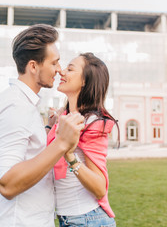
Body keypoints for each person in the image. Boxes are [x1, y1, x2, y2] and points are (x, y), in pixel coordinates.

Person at [0, 24, 85, 227]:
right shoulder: (14, 106)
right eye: (54, 63)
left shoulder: (24, 104)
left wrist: (47, 130)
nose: (59, 70)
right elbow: (8, 184)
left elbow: (27, 153)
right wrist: (61, 142)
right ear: (33, 66)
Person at [46, 52, 119, 227]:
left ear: (85, 80)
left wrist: (70, 156)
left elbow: (100, 188)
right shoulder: (65, 117)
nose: (62, 72)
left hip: (87, 219)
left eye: (70, 69)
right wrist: (49, 127)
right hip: (70, 219)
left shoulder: (92, 123)